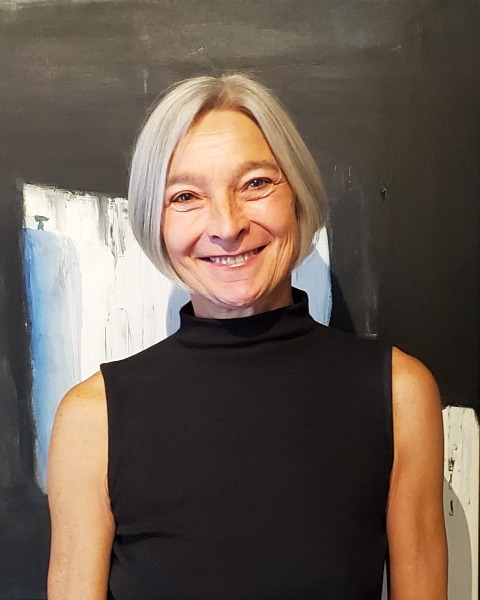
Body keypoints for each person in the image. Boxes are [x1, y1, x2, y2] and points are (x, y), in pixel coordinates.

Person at [47, 73, 447, 599]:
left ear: (297, 196)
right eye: (186, 195)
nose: (227, 225)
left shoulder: (399, 395)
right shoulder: (91, 420)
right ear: (155, 222)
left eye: (256, 183)